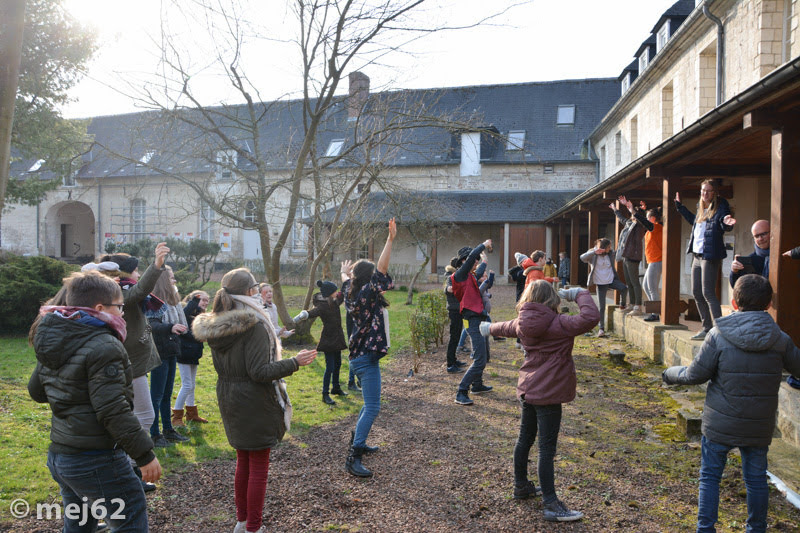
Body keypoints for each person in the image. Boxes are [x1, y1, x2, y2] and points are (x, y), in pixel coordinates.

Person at [662, 274, 800, 533]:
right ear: (769, 304)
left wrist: (669, 374)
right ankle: (757, 528)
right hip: (758, 426)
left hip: (719, 423)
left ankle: (705, 529)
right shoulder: (780, 339)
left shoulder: (717, 335)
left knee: (710, 477)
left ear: (734, 303)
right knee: (757, 479)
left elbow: (694, 375)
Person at [28, 271, 162, 531]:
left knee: (79, 526)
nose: (123, 314)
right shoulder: (105, 345)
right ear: (100, 308)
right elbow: (113, 410)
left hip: (62, 456)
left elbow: (37, 391)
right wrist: (144, 455)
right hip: (96, 459)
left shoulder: (55, 336)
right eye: (120, 307)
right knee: (130, 517)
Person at [192, 267, 317, 533]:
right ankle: (254, 527)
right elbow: (259, 372)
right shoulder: (255, 325)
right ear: (251, 292)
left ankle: (242, 521)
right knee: (258, 466)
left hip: (229, 397)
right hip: (254, 400)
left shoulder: (218, 323)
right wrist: (294, 362)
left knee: (243, 461)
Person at [485, 282, 599, 522]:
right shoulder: (561, 324)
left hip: (528, 389)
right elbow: (591, 317)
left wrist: (487, 328)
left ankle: (521, 486)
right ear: (552, 299)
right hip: (549, 394)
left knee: (524, 440)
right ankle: (550, 503)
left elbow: (503, 327)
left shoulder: (522, 322)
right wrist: (579, 293)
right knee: (546, 449)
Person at [99, 242, 169, 492]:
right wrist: (157, 266)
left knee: (137, 415)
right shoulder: (117, 293)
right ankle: (130, 469)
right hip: (130, 364)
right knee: (145, 416)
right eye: (137, 270)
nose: (138, 275)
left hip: (135, 362)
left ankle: (129, 471)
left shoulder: (117, 290)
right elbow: (139, 291)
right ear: (126, 274)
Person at [344, 218, 396, 478]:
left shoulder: (350, 292)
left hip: (360, 356)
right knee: (373, 407)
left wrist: (347, 272)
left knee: (368, 404)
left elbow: (348, 279)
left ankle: (359, 441)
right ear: (368, 278)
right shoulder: (366, 292)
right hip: (365, 358)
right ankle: (353, 456)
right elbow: (383, 269)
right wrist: (389, 239)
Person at [675, 180, 736, 340]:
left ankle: (719, 331)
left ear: (714, 192)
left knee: (708, 292)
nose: (705, 194)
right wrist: (680, 207)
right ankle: (707, 328)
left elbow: (723, 221)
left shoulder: (721, 206)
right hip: (697, 255)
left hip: (710, 255)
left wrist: (727, 224)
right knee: (696, 292)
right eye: (703, 190)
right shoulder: (701, 208)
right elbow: (694, 222)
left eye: (708, 191)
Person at [146, 265, 190, 447]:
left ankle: (168, 429)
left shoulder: (174, 301)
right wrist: (170, 327)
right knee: (156, 395)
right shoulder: (153, 301)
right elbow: (151, 325)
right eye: (171, 277)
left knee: (167, 394)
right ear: (163, 280)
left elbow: (182, 323)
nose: (174, 281)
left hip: (172, 350)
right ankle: (154, 434)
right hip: (158, 352)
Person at [452, 239, 494, 406]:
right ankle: (461, 391)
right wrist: (483, 245)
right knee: (480, 359)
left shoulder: (469, 276)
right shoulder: (460, 275)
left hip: (479, 319)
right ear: (464, 261)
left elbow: (478, 270)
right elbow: (471, 259)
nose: (475, 263)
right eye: (473, 260)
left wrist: (484, 261)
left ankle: (477, 385)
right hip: (472, 320)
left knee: (483, 354)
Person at [297, 279, 349, 405]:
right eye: (334, 291)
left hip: (337, 338)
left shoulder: (335, 301)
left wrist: (346, 276)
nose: (337, 292)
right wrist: (302, 315)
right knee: (329, 367)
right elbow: (311, 313)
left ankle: (336, 388)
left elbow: (344, 291)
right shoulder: (321, 305)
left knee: (338, 364)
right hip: (328, 340)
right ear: (329, 293)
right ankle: (325, 394)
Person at [173, 290, 210, 427]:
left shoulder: (202, 315)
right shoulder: (188, 312)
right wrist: (194, 300)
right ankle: (177, 417)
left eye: (207, 300)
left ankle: (192, 414)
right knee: (187, 385)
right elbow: (183, 317)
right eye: (203, 300)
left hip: (194, 354)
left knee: (192, 385)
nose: (205, 303)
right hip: (184, 354)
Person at [580, 238, 627, 338]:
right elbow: (582, 258)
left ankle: (622, 305)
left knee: (623, 288)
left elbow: (619, 253)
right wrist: (594, 252)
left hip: (611, 280)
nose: (610, 248)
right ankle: (601, 329)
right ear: (603, 247)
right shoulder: (593, 253)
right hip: (600, 283)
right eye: (609, 247)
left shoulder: (610, 254)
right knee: (602, 306)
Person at [612, 196, 647, 317]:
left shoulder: (640, 226)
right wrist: (615, 210)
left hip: (633, 256)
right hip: (625, 255)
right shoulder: (629, 224)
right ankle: (632, 304)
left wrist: (633, 209)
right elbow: (621, 219)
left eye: (634, 213)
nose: (632, 215)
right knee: (628, 282)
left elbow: (641, 219)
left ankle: (638, 306)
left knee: (634, 282)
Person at [632, 203, 663, 322]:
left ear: (653, 218)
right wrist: (640, 210)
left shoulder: (657, 227)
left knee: (652, 288)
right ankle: (655, 309)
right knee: (646, 286)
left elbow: (645, 223)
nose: (646, 219)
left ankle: (655, 313)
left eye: (648, 217)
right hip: (652, 261)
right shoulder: (651, 230)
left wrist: (635, 212)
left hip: (657, 260)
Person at [444, 258, 469, 373]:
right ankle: (450, 364)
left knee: (457, 336)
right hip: (454, 311)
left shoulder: (457, 277)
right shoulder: (451, 277)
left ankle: (454, 360)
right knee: (454, 338)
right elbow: (448, 289)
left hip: (459, 311)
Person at [730, 220, 770, 288]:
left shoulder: (784, 255)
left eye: (763, 234)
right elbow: (737, 287)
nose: (760, 239)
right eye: (757, 236)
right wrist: (734, 272)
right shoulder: (751, 260)